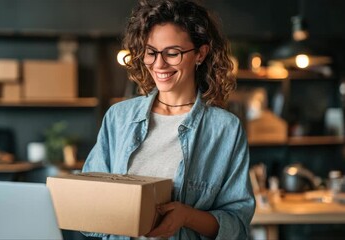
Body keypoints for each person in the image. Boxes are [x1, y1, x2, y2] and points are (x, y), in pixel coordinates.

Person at [82, 0, 255, 239]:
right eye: (151, 52)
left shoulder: (224, 128)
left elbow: (237, 225)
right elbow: (88, 208)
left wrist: (186, 216)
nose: (159, 64)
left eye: (172, 53)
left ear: (200, 54)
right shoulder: (118, 117)